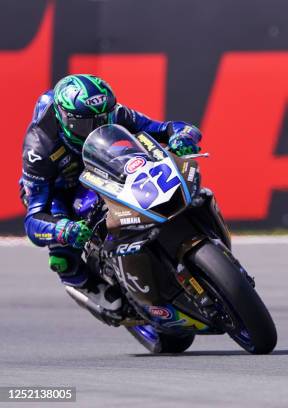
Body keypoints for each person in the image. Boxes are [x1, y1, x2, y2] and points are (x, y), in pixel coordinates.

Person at [20, 74, 201, 312]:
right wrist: (61, 229)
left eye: (103, 118)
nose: (97, 125)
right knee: (62, 259)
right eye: (87, 124)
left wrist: (182, 136)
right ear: (66, 119)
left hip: (108, 166)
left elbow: (164, 128)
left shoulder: (114, 113)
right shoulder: (39, 147)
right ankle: (89, 287)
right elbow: (33, 219)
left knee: (195, 192)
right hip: (61, 189)